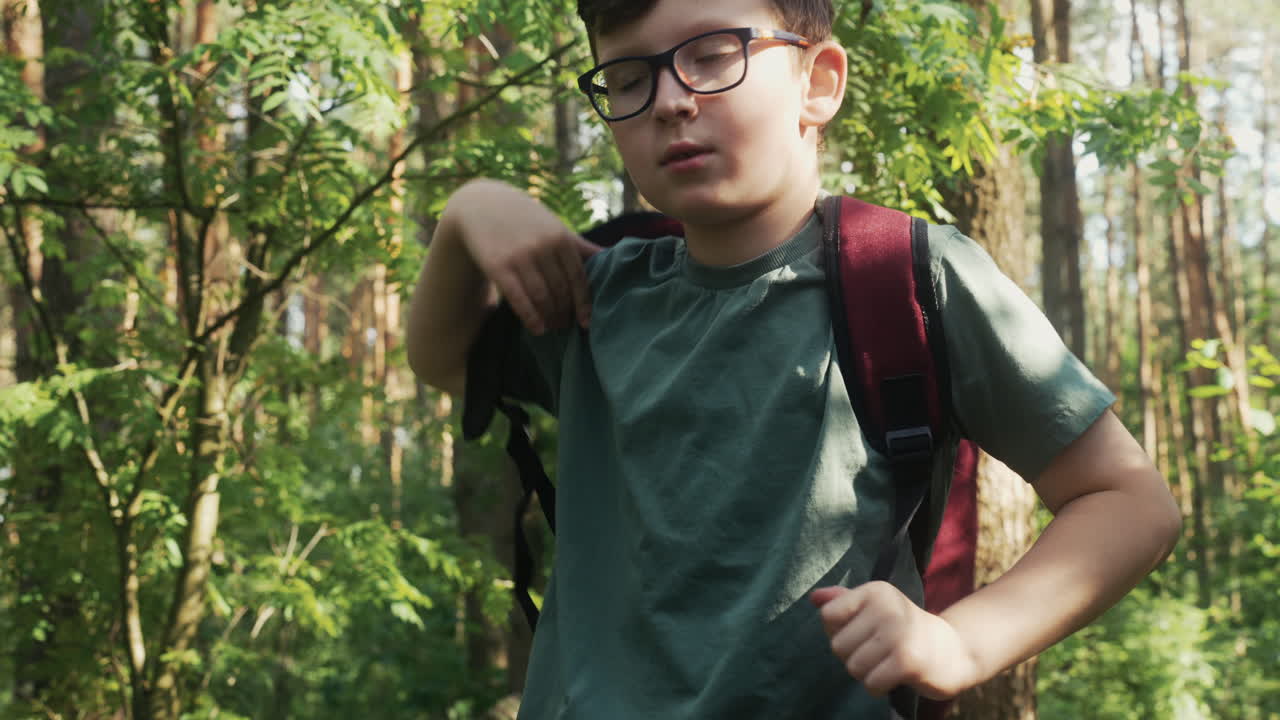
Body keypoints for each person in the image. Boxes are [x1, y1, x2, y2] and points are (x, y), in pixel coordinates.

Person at [406, 0, 1183, 717]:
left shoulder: (908, 280)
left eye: (713, 55)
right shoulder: (598, 297)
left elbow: (1128, 501)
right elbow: (446, 360)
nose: (671, 100)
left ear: (819, 82)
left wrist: (962, 642)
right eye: (629, 77)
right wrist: (468, 212)